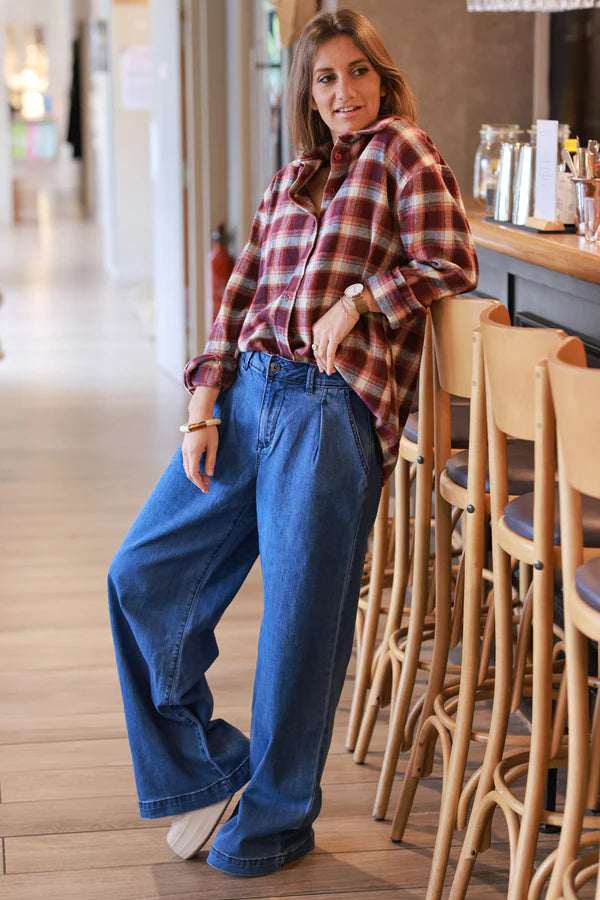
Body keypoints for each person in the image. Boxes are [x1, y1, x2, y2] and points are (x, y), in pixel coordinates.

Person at [108, 8, 478, 879]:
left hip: (329, 410)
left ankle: (275, 818)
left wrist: (357, 302)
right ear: (305, 95)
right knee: (140, 575)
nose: (344, 92)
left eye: (358, 73)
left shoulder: (404, 152)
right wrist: (203, 403)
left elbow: (449, 258)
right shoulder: (289, 184)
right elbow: (236, 304)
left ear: (381, 79)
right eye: (325, 79)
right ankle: (208, 770)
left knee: (299, 626)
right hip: (247, 402)